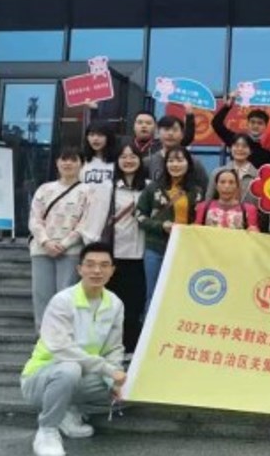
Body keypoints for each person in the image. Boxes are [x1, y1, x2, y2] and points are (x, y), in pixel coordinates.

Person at [20, 242, 125, 456]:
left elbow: (114, 348)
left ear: (112, 270)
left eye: (104, 265)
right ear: (79, 269)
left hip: (82, 376)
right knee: (70, 369)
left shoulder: (115, 304)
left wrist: (114, 378)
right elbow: (62, 349)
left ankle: (67, 411)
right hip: (42, 379)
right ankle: (47, 430)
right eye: (90, 264)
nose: (97, 271)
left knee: (130, 382)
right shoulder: (63, 301)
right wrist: (107, 370)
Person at [28, 147, 94, 329]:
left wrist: (64, 244)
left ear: (82, 164)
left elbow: (85, 223)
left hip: (71, 251)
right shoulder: (44, 189)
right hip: (42, 249)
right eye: (64, 159)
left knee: (67, 297)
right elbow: (34, 219)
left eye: (73, 160)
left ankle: (64, 337)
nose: (68, 163)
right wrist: (46, 242)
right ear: (57, 163)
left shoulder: (88, 191)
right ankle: (43, 337)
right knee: (41, 296)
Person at [136, 146, 205, 311]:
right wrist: (161, 226)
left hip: (184, 250)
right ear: (165, 164)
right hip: (156, 249)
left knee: (180, 294)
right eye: (171, 160)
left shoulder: (196, 191)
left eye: (180, 160)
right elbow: (139, 216)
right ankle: (149, 327)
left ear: (188, 164)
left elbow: (201, 220)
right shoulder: (153, 188)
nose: (175, 164)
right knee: (154, 294)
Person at [103, 141, 148, 354]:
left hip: (141, 255)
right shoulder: (108, 188)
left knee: (135, 306)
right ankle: (111, 348)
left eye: (133, 156)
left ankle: (132, 349)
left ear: (140, 160)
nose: (128, 161)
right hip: (115, 254)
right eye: (123, 157)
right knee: (112, 306)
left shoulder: (150, 187)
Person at [210, 89, 270, 168]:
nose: (255, 126)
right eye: (252, 122)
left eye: (260, 123)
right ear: (247, 124)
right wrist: (227, 107)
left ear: (265, 126)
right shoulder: (237, 139)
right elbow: (216, 124)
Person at [145, 115, 209, 192]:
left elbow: (205, 189)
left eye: (175, 130)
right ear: (158, 133)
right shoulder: (148, 162)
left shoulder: (193, 162)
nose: (170, 133)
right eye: (166, 129)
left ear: (182, 134)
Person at [206, 133, 258, 205]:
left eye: (244, 146)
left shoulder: (258, 176)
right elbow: (208, 202)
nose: (240, 149)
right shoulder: (217, 173)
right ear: (230, 148)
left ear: (251, 151)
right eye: (236, 145)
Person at [128, 108, 195, 158]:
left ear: (155, 127)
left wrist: (189, 117)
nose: (144, 126)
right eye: (140, 123)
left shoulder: (163, 144)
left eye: (148, 123)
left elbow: (186, 139)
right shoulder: (124, 143)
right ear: (133, 126)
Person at [80, 120, 117, 185]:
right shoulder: (82, 161)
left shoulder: (118, 161)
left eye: (100, 135)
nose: (95, 138)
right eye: (91, 135)